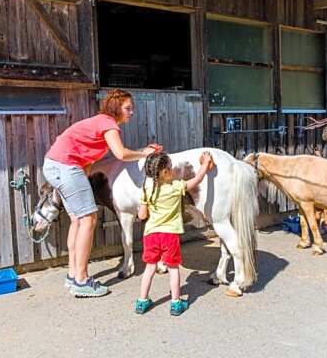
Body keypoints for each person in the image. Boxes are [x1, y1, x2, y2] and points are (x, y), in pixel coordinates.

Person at [43, 89, 160, 298]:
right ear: (116, 108)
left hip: (57, 165)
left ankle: (72, 275)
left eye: (132, 108)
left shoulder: (99, 123)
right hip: (65, 166)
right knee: (88, 219)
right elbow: (122, 154)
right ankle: (81, 280)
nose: (131, 112)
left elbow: (87, 163)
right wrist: (145, 153)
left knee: (78, 220)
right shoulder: (108, 124)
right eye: (128, 108)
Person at [135, 151, 214, 316]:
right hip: (169, 235)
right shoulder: (176, 187)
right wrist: (205, 164)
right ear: (165, 172)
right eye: (171, 167)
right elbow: (196, 180)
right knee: (173, 269)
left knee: (149, 268)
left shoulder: (147, 189)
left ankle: (142, 302)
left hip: (151, 235)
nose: (173, 170)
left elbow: (142, 215)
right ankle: (176, 303)